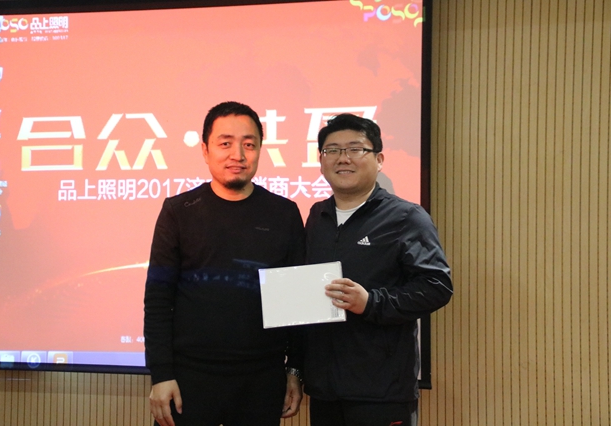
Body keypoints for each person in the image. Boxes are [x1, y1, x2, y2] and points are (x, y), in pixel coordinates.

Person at [144, 101, 304, 426]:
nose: (238, 155)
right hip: (189, 378)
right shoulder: (178, 212)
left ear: (260, 150)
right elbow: (158, 299)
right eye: (225, 143)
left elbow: (296, 306)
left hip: (262, 379)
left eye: (249, 145)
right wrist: (161, 374)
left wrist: (295, 371)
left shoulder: (284, 214)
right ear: (205, 150)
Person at [303, 114, 453, 426]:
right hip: (325, 389)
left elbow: (437, 286)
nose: (343, 158)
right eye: (332, 150)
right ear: (321, 160)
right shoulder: (318, 216)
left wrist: (371, 303)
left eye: (355, 149)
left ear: (379, 159)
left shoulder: (406, 217)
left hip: (382, 391)